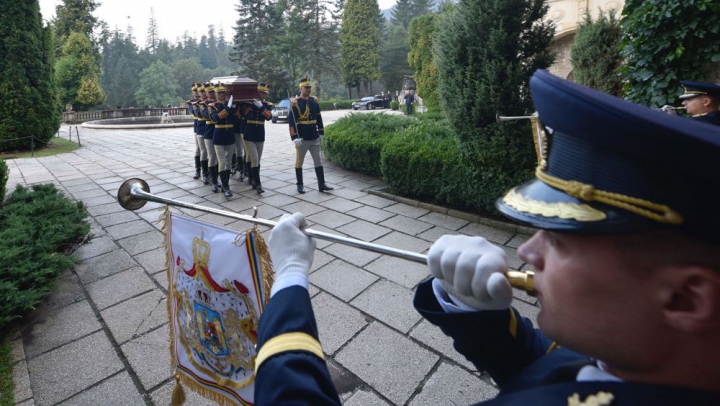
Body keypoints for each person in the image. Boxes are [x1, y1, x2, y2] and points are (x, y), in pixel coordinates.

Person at [253, 69, 720, 405]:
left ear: (684, 298)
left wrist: (290, 281)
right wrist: (481, 315)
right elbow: (556, 365)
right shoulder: (632, 350)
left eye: (559, 241)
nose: (526, 250)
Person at [288, 76, 333, 194]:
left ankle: (321, 184)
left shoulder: (314, 101)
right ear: (301, 88)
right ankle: (300, 184)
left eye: (310, 87)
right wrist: (294, 137)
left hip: (314, 135)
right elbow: (292, 122)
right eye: (306, 87)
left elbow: (318, 117)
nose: (309, 89)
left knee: (318, 161)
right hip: (302, 137)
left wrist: (321, 132)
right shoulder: (295, 103)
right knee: (299, 162)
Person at [239, 82, 273, 194]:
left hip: (260, 134)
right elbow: (243, 115)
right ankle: (258, 184)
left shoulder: (267, 105)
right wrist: (250, 104)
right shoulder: (248, 104)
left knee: (258, 159)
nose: (262, 95)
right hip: (249, 135)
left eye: (264, 93)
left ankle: (253, 179)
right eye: (261, 92)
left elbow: (269, 117)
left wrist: (261, 106)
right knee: (254, 158)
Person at [209, 84, 236, 198]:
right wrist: (228, 108)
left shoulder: (231, 106)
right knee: (222, 162)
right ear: (215, 94)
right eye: (219, 92)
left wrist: (234, 107)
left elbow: (236, 119)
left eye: (223, 92)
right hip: (219, 136)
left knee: (228, 162)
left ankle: (226, 183)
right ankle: (226, 187)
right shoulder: (212, 106)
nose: (221, 94)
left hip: (229, 136)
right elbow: (216, 118)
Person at [200, 83, 220, 192]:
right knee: (212, 156)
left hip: (218, 132)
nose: (211, 93)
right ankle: (213, 180)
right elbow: (209, 117)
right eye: (209, 92)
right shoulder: (204, 104)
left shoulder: (218, 104)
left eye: (213, 91)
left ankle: (216, 179)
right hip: (209, 132)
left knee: (218, 158)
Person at [192, 83, 210, 184]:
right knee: (201, 150)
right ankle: (200, 170)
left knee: (211, 153)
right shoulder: (195, 103)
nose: (202, 93)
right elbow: (197, 113)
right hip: (199, 127)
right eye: (201, 91)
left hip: (208, 128)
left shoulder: (210, 103)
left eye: (204, 91)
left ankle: (210, 172)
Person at [186, 82, 203, 180]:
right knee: (198, 149)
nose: (196, 93)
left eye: (198, 91)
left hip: (206, 127)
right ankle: (197, 169)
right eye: (195, 91)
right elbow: (194, 112)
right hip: (198, 127)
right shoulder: (191, 102)